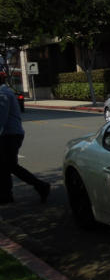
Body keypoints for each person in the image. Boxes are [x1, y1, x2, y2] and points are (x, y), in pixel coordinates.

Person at [0, 73, 50, 204]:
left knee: (9, 165)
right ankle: (7, 195)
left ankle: (41, 186)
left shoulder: (3, 94)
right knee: (6, 165)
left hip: (10, 135)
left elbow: (1, 118)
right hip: (9, 134)